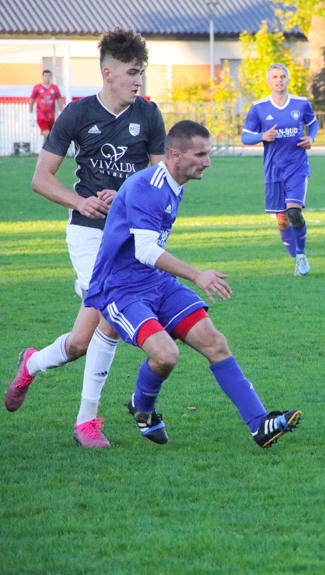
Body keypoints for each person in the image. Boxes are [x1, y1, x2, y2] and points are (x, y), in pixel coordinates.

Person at [84, 120, 302, 448]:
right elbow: (144, 250)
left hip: (155, 281)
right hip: (121, 288)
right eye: (200, 154)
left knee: (215, 342)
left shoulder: (173, 182)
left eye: (208, 154)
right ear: (174, 154)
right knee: (166, 355)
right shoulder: (150, 185)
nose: (207, 162)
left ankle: (260, 424)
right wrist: (198, 275)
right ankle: (142, 409)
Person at [5, 28, 166, 449]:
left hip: (133, 238)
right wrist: (79, 202)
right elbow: (41, 180)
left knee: (79, 342)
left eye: (142, 73)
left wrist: (129, 193)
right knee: (111, 315)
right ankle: (86, 422)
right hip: (88, 236)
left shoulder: (149, 115)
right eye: (132, 73)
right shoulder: (77, 114)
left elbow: (161, 180)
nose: (138, 81)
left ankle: (31, 363)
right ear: (107, 71)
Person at [241, 63, 318, 277]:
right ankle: (296, 258)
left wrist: (311, 137)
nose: (279, 80)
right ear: (268, 81)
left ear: (288, 79)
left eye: (282, 76)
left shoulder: (301, 103)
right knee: (282, 219)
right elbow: (245, 136)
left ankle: (301, 254)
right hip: (273, 170)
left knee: (294, 212)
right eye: (275, 77)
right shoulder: (259, 107)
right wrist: (262, 137)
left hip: (297, 167)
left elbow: (313, 123)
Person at [29, 70, 65, 138]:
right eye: (45, 76)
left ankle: (44, 148)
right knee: (46, 133)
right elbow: (31, 101)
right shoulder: (37, 87)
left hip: (51, 117)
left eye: (49, 76)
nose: (47, 77)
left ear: (51, 77)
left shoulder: (55, 88)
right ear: (42, 77)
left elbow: (59, 101)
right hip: (41, 116)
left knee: (51, 137)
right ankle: (46, 148)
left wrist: (63, 113)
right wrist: (30, 115)